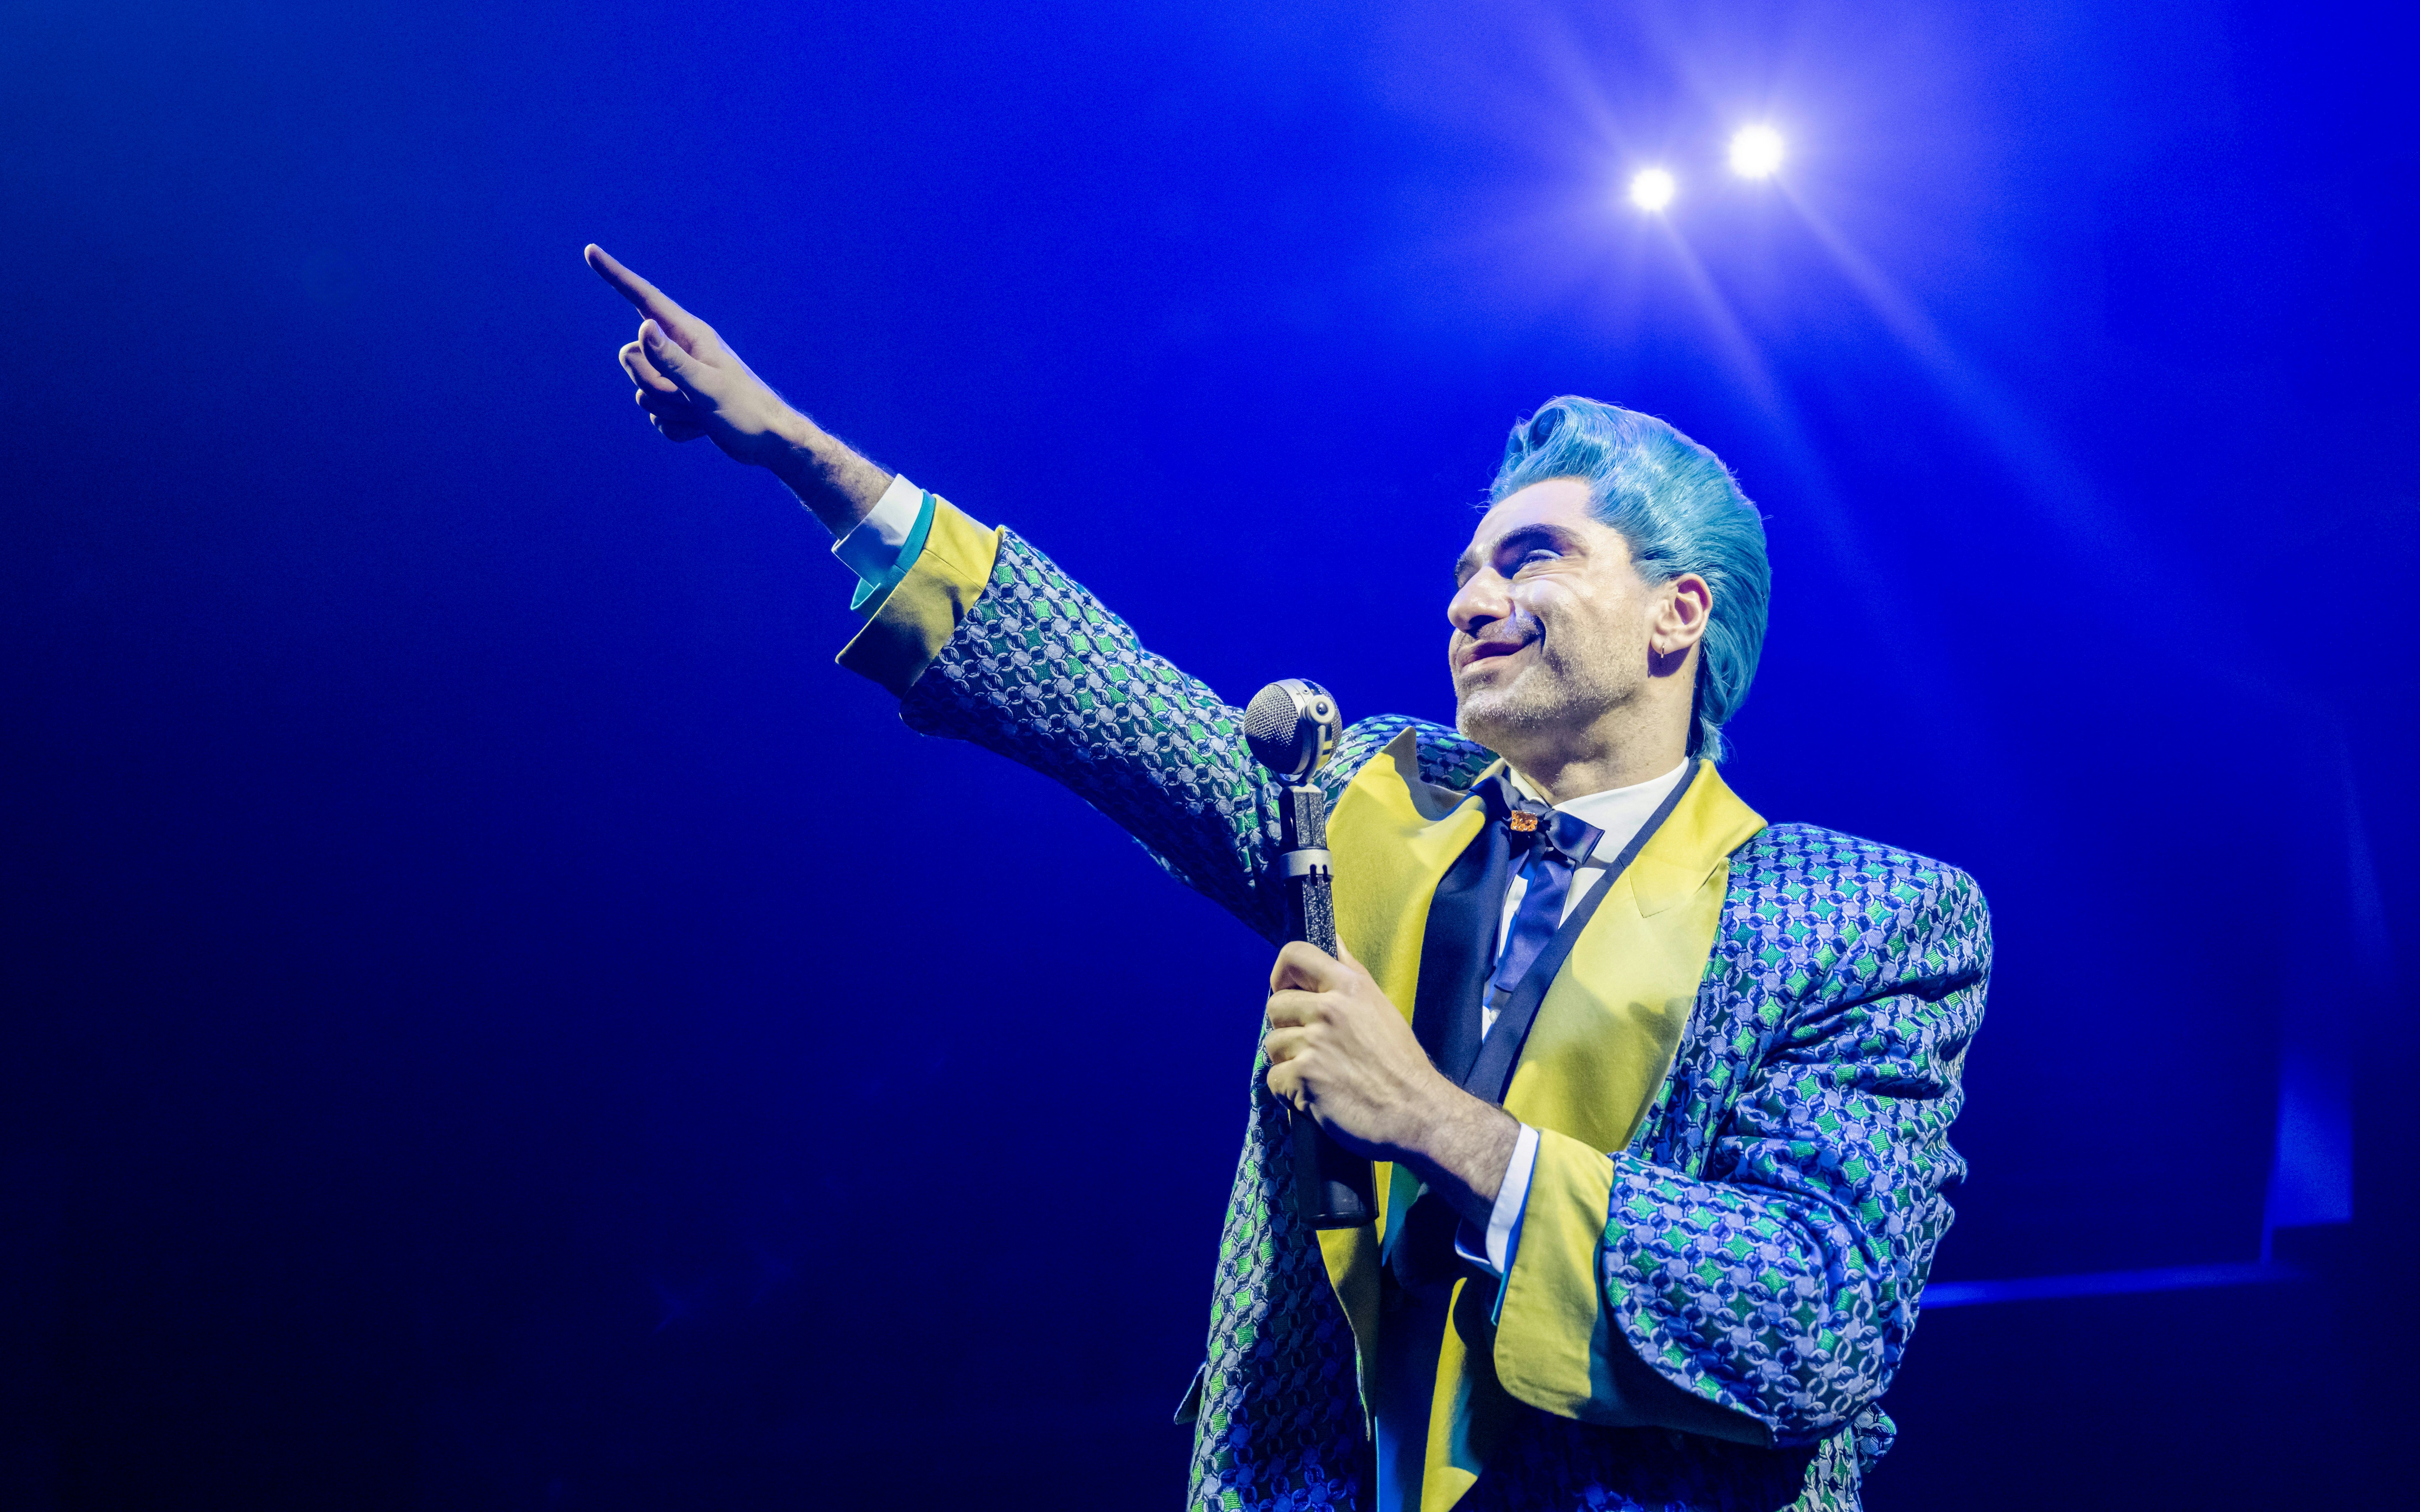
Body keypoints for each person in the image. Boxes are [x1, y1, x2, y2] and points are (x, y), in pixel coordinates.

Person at [583, 244, 1990, 1512]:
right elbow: (1105, 700)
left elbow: (1817, 1317)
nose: (1465, 596)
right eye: (1460, 567)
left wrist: (1444, 1127)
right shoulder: (1374, 796)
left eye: (1532, 555)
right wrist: (804, 458)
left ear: (1678, 610)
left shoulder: (1864, 916)